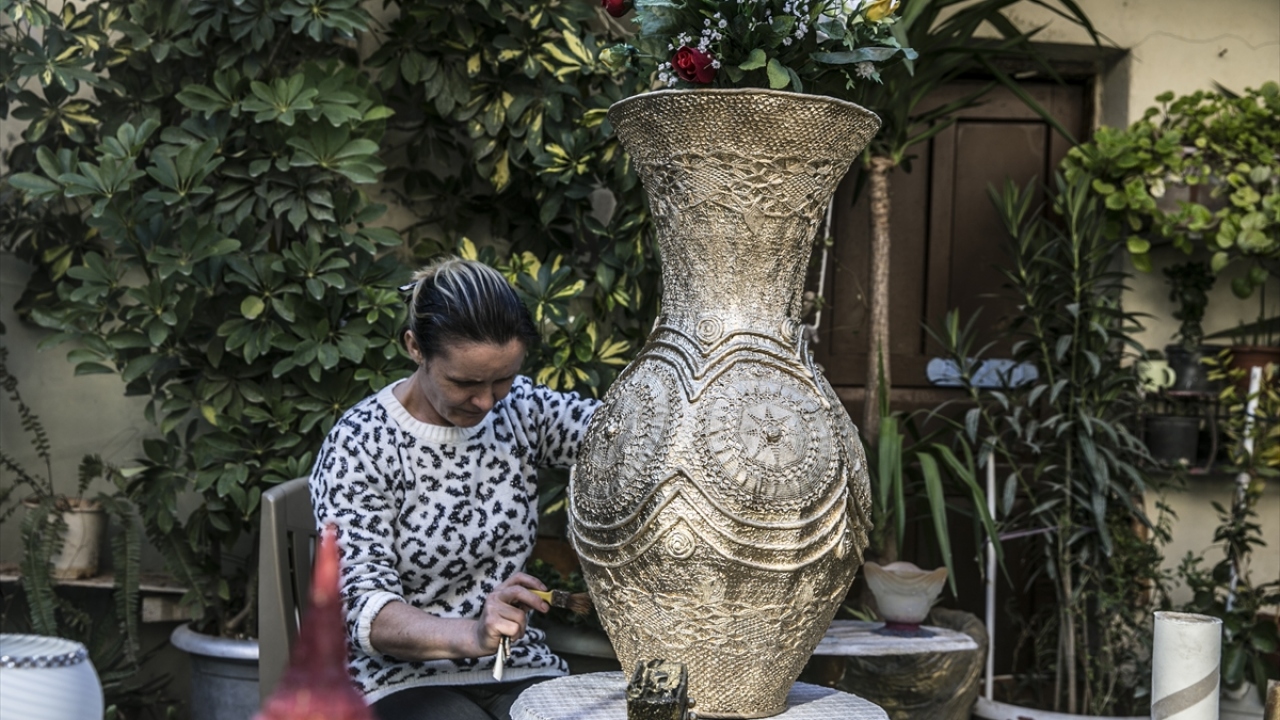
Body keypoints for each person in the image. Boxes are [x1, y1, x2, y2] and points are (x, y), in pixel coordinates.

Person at [309, 257, 600, 720]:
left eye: (502, 379)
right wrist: (473, 634)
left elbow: (621, 435)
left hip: (517, 666)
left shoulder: (521, 409)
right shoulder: (361, 442)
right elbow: (365, 610)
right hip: (393, 681)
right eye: (464, 382)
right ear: (415, 347)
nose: (486, 402)